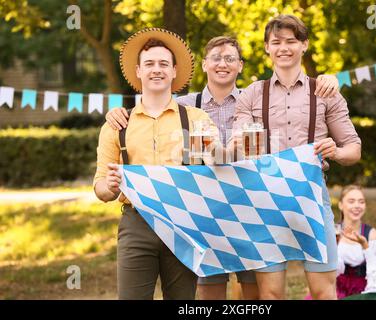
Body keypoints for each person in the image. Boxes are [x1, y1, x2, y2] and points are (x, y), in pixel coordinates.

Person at [104, 35, 340, 300]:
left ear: (240, 65)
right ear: (204, 64)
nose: (222, 64)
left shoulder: (257, 100)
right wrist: (117, 113)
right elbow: (153, 113)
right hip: (204, 212)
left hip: (252, 208)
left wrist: (326, 80)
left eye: (230, 59)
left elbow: (286, 122)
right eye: (215, 58)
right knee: (209, 293)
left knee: (252, 294)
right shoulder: (184, 107)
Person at [229, 14, 362, 300]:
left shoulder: (326, 92)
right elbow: (237, 141)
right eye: (276, 42)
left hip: (312, 197)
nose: (283, 48)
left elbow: (353, 148)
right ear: (266, 47)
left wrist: (336, 152)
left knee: (323, 290)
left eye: (291, 41)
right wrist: (238, 140)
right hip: (265, 200)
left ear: (304, 45)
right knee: (272, 294)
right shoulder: (251, 94)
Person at [93, 28, 219, 300]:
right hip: (136, 224)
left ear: (174, 71)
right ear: (138, 71)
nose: (156, 70)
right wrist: (111, 186)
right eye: (149, 64)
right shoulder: (117, 125)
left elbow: (216, 167)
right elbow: (101, 189)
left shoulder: (197, 119)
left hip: (183, 222)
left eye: (163, 64)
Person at [335, 185, 376, 298]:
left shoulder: (371, 235)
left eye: (361, 202)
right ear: (341, 205)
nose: (357, 206)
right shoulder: (333, 232)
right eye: (351, 201)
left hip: (363, 290)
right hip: (334, 288)